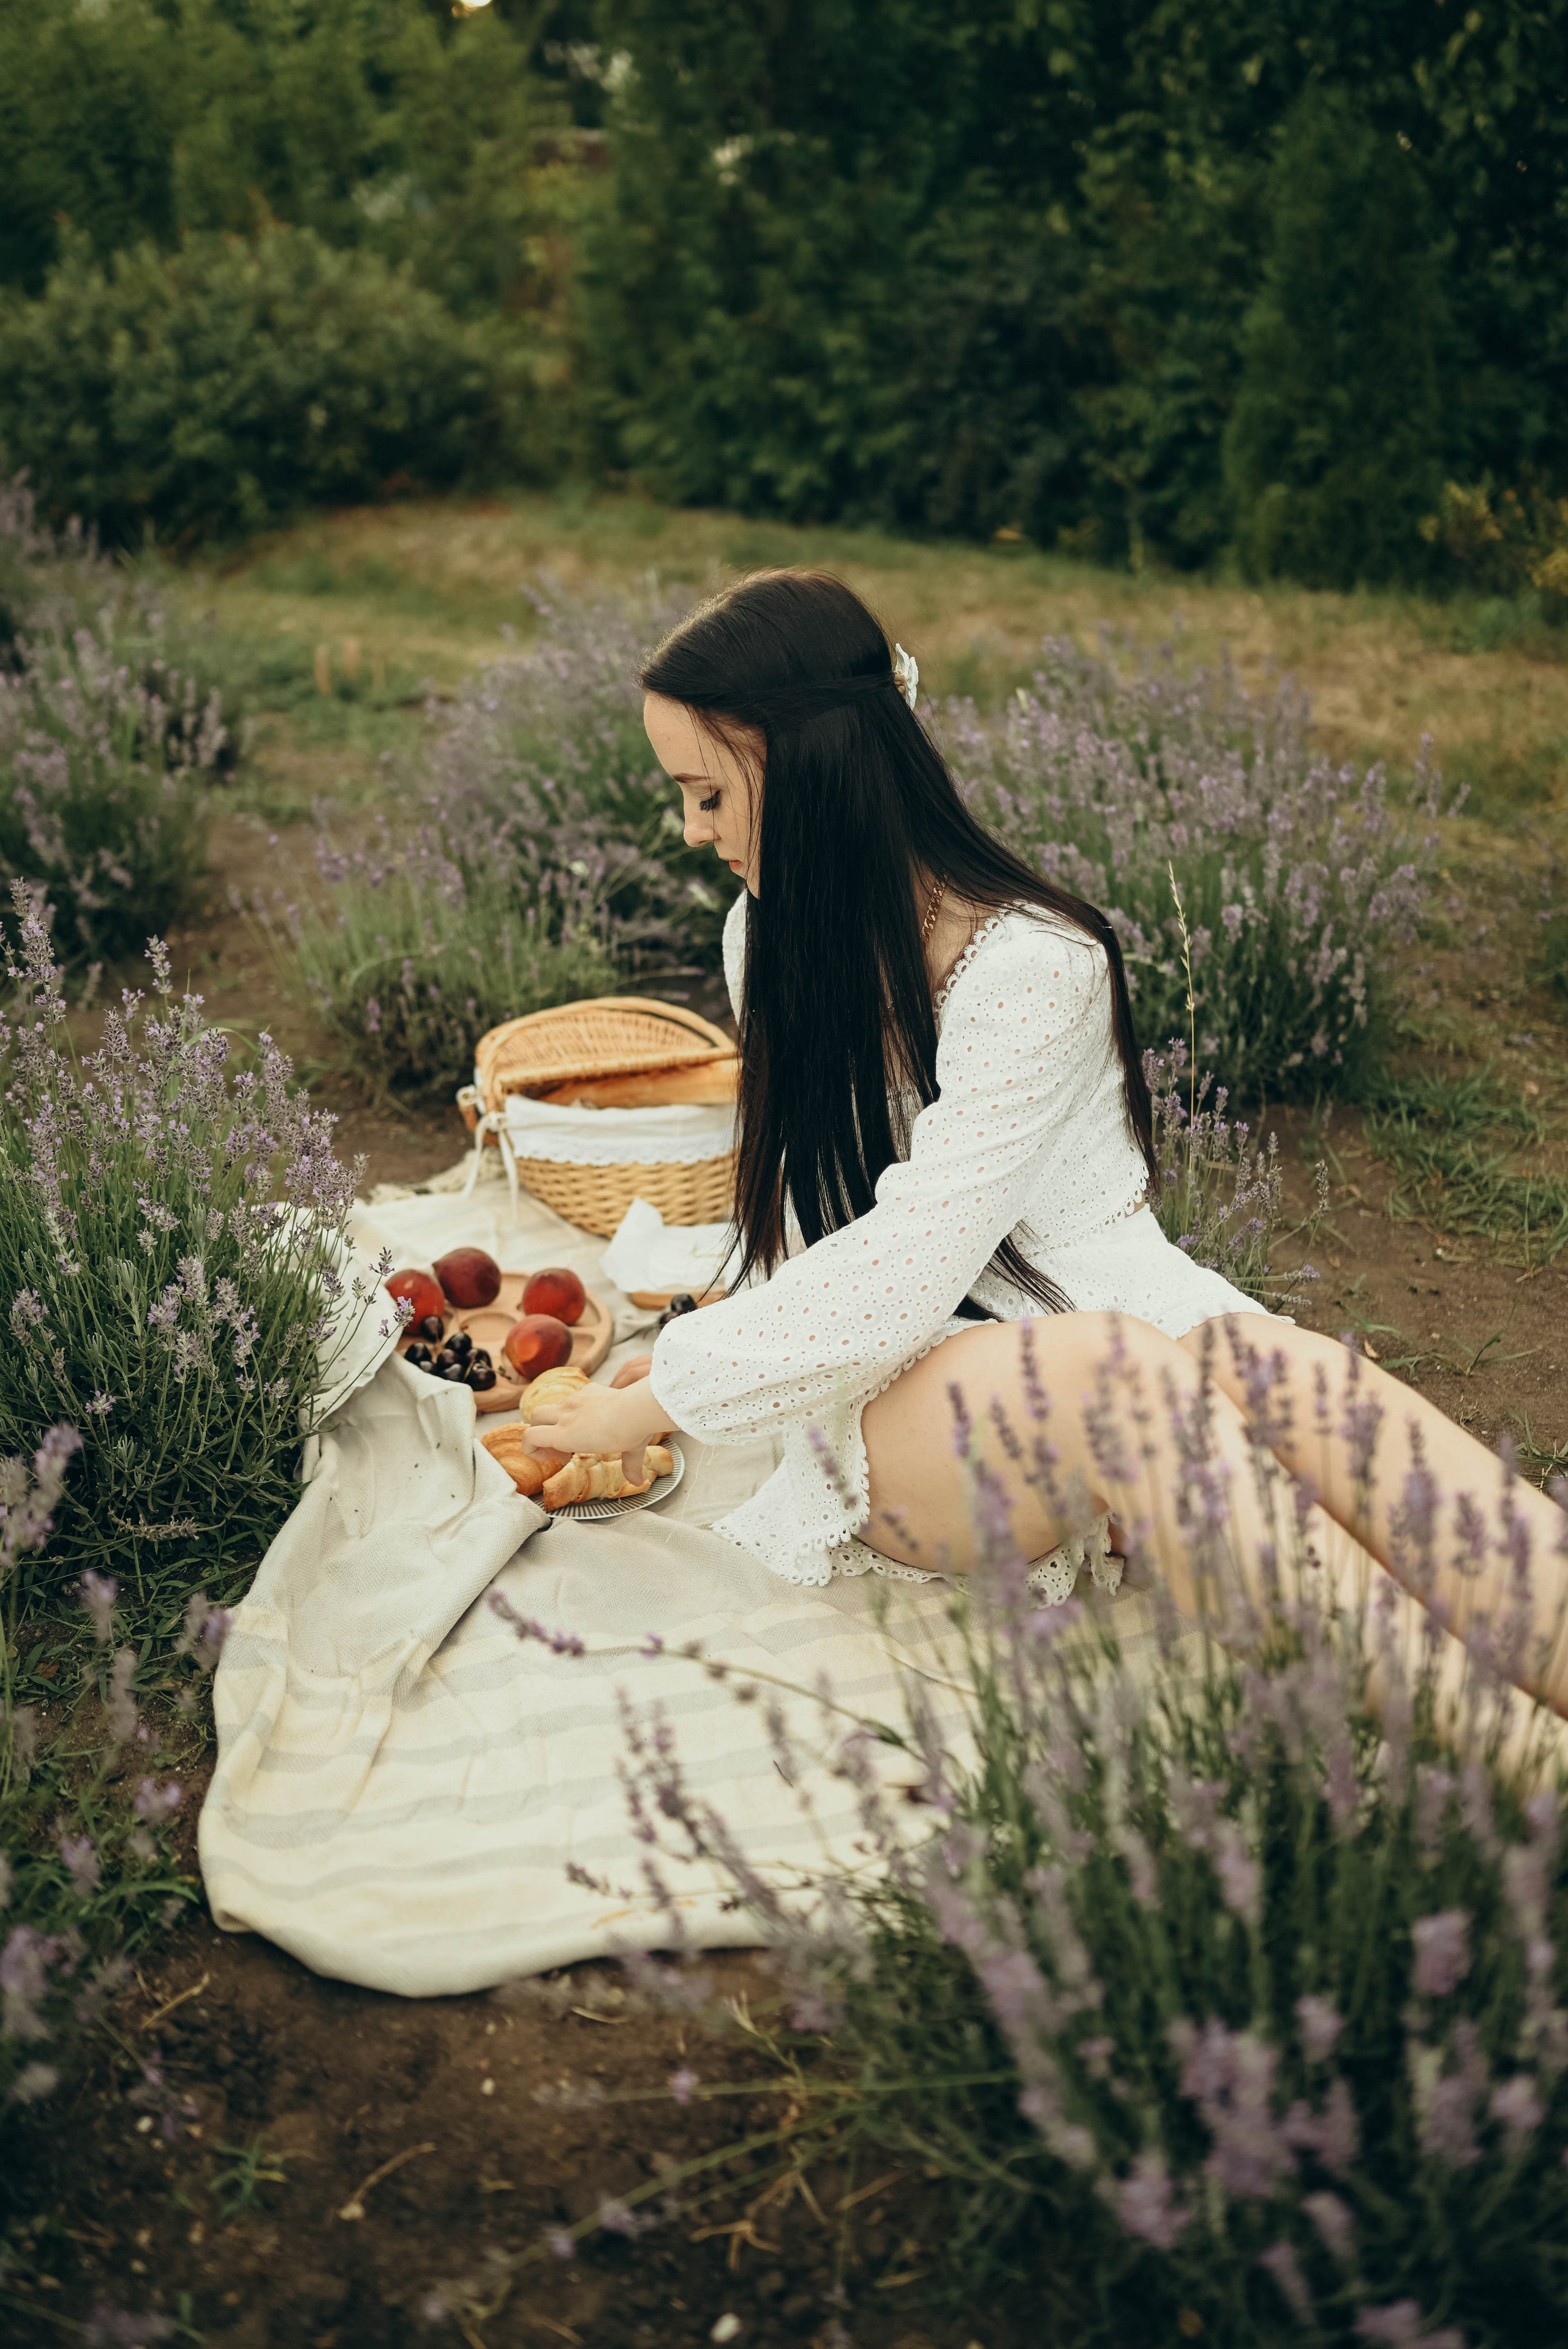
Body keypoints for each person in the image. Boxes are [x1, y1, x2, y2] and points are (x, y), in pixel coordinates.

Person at [522, 570, 1568, 1734]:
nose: (692, 831)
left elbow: (938, 1245)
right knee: (1119, 1381)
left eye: (708, 794)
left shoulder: (1034, 963)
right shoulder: (763, 936)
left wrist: (669, 1390)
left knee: (1303, 1380)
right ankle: (1518, 1768)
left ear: (809, 771)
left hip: (1080, 1317)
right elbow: (872, 1255)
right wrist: (676, 1380)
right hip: (907, 1391)